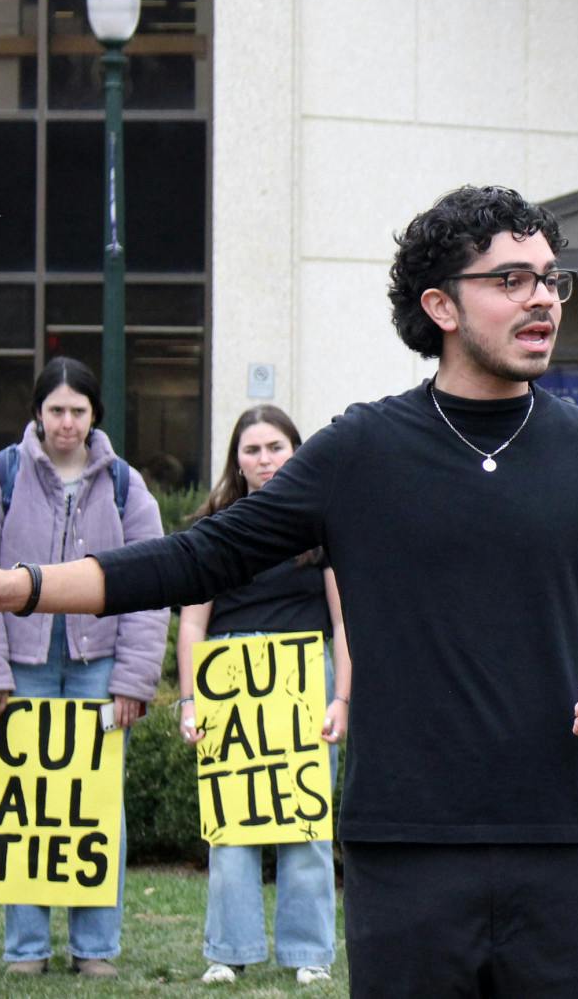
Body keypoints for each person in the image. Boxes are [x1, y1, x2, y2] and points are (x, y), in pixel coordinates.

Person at [0, 185, 578, 998]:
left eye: (551, 277)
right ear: (440, 303)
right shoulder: (363, 450)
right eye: (511, 279)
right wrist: (14, 586)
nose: (543, 296)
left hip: (564, 841)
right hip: (404, 845)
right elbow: (199, 556)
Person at [0, 356, 167, 978]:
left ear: (94, 414)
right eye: (55, 410)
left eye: (77, 410)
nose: (66, 423)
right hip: (21, 673)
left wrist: (132, 682)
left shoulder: (127, 485)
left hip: (98, 669)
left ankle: (95, 947)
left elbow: (151, 585)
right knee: (22, 806)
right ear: (38, 414)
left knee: (99, 806)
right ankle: (27, 948)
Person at [175, 405, 351, 987]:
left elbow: (343, 620)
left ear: (296, 450)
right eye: (252, 450)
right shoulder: (213, 525)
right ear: (236, 459)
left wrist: (342, 698)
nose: (265, 459)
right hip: (228, 684)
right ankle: (229, 950)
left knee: (307, 824)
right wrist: (190, 700)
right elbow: (193, 624)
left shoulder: (322, 524)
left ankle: (309, 953)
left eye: (275, 446)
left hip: (305, 679)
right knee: (231, 828)